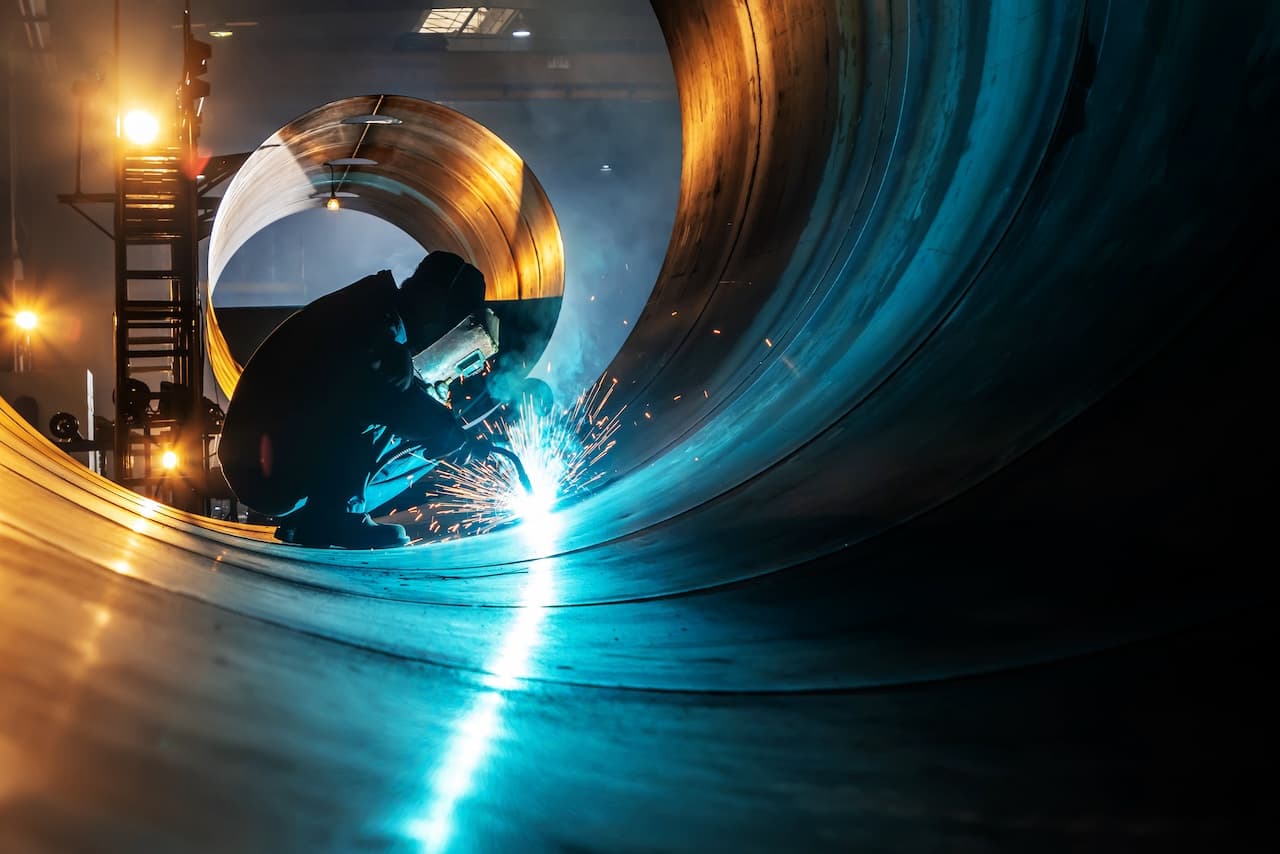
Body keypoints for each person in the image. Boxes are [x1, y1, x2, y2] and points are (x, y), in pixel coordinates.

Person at [218, 251, 490, 548]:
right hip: (267, 471)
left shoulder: (373, 310)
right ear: (434, 302)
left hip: (262, 461)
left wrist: (442, 429)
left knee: (429, 428)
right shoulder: (375, 325)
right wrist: (443, 428)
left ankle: (313, 517)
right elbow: (378, 400)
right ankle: (336, 517)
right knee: (422, 423)